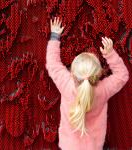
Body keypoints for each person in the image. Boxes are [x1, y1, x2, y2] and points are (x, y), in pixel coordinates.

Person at [45, 17, 129, 150]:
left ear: (72, 73)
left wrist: (55, 36)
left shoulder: (66, 84)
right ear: (100, 73)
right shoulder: (103, 90)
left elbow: (52, 63)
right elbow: (122, 76)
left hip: (68, 146)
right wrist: (110, 54)